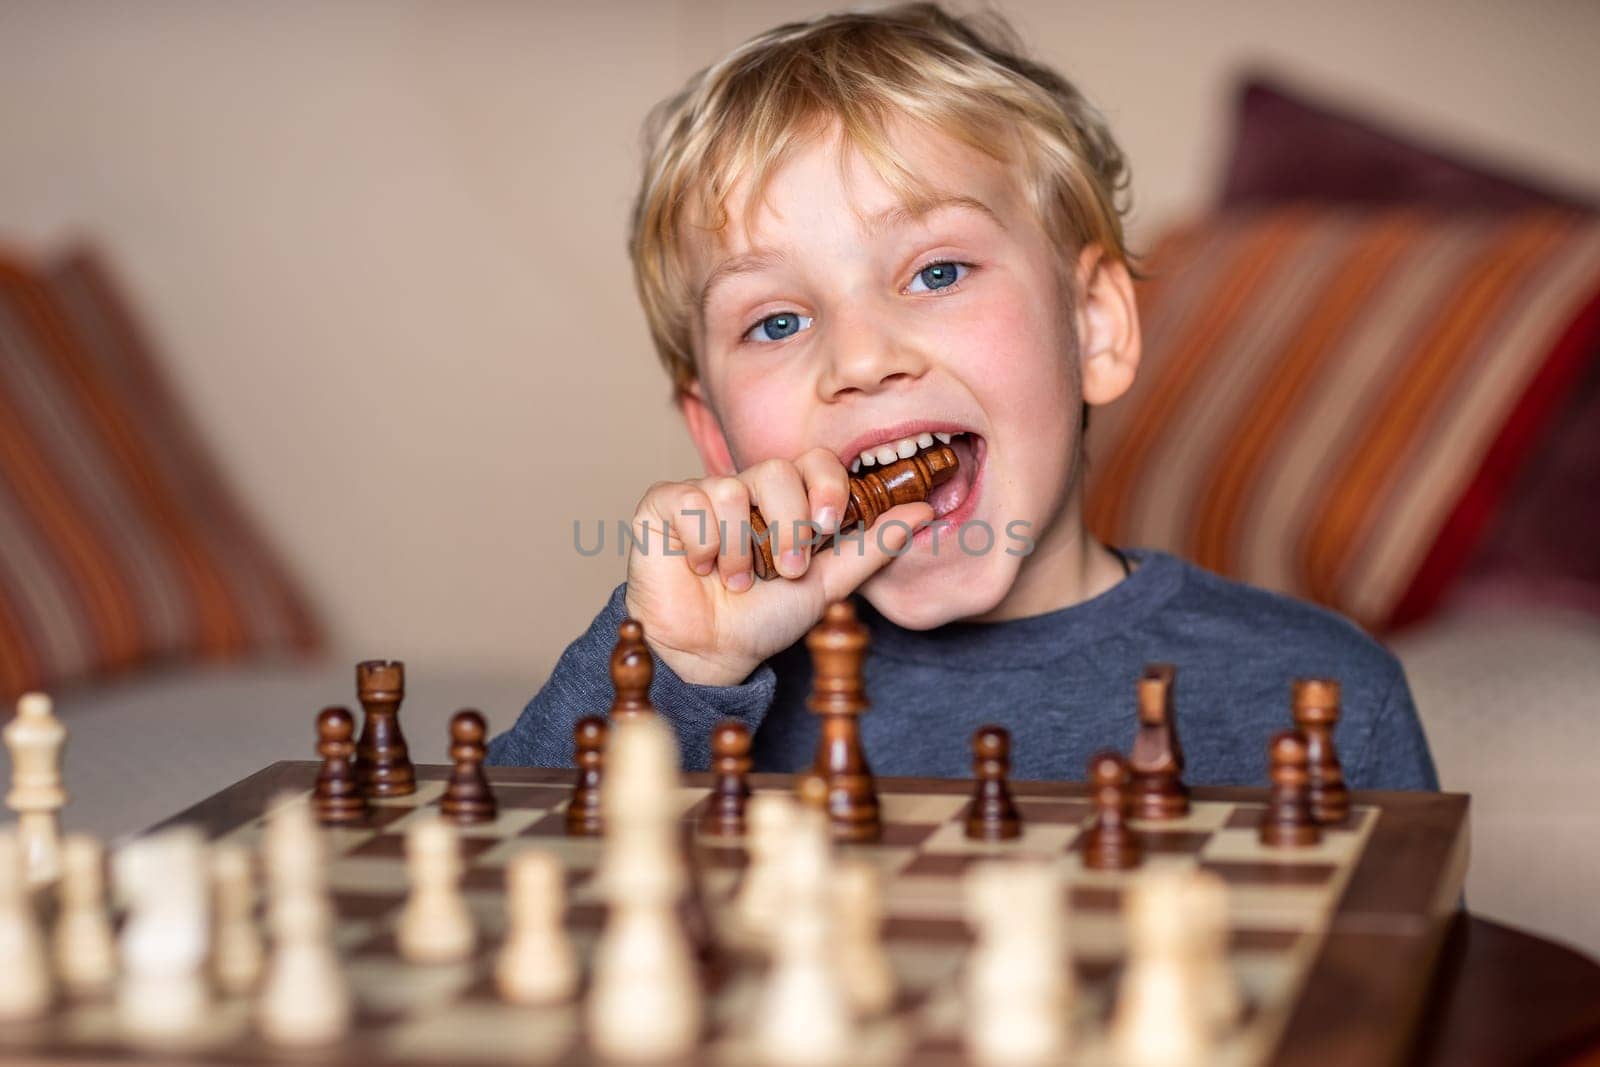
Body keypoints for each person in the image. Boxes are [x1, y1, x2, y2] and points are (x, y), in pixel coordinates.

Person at [487, 3, 1438, 790]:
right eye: (776, 322)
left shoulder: (1322, 699)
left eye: (937, 271)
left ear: (1094, 327)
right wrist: (672, 669)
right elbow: (456, 915)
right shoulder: (692, 693)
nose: (861, 358)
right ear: (718, 436)